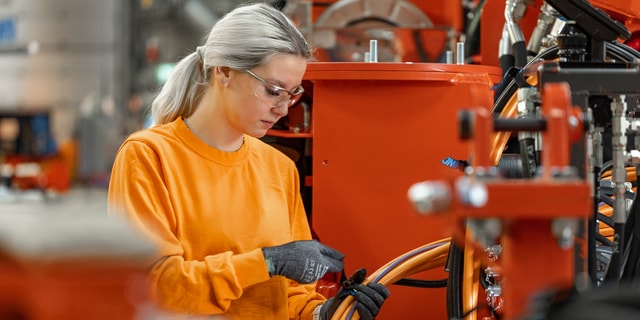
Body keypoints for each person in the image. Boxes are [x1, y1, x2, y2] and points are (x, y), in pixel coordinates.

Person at [107, 3, 389, 320]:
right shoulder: (150, 155)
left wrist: (327, 313)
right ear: (224, 72)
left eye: (292, 94)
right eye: (273, 91)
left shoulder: (278, 167)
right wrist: (265, 262)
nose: (283, 109)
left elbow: (292, 295)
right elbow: (155, 289)